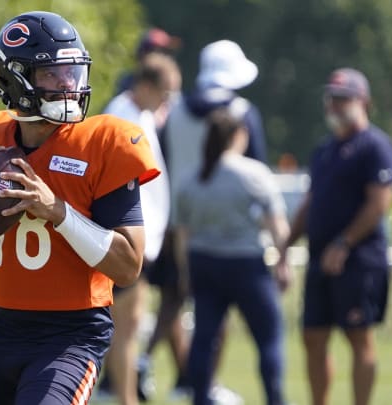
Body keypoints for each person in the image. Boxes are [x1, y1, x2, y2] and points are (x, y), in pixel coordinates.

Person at [0, 11, 160, 405]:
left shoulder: (106, 141)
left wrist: (59, 212)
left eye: (73, 72)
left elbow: (128, 265)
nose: (69, 84)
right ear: (14, 79)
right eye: (53, 74)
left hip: (70, 335)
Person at [277, 68, 392, 405]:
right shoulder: (324, 150)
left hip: (359, 258)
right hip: (320, 255)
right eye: (331, 98)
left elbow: (379, 204)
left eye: (343, 98)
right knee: (313, 337)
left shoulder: (375, 146)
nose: (335, 105)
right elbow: (312, 202)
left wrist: (344, 243)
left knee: (358, 337)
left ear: (363, 101)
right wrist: (286, 248)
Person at [160, 39, 268, 403]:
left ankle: (189, 385)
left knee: (184, 309)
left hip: (180, 225)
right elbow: (258, 173)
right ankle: (203, 386)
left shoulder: (174, 112)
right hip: (234, 237)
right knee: (239, 326)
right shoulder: (243, 111)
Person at [174, 108, 291, 405]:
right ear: (238, 136)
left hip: (204, 263)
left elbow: (182, 234)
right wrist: (283, 260)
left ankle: (200, 397)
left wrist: (185, 272)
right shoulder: (253, 174)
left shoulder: (192, 178)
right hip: (246, 264)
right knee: (269, 336)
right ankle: (275, 398)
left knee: (204, 338)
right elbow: (277, 224)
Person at [95, 52, 180, 405]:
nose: (167, 103)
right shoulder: (121, 120)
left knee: (123, 328)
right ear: (144, 86)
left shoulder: (142, 115)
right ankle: (125, 398)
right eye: (164, 94)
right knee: (124, 329)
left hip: (144, 238)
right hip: (128, 237)